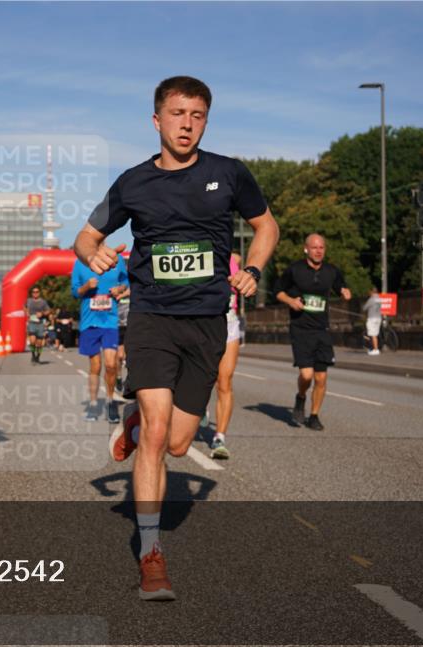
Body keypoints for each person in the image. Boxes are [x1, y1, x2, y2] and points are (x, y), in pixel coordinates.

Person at [77, 76, 278, 600]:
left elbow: (267, 226)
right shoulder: (133, 182)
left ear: (206, 120)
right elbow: (88, 233)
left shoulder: (228, 173)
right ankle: (150, 554)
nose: (187, 124)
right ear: (156, 120)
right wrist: (88, 253)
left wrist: (253, 269)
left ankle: (134, 419)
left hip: (207, 322)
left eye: (197, 115)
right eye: (177, 113)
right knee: (159, 434)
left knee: (180, 442)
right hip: (152, 319)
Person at [276, 233, 351, 431]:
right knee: (307, 375)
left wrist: (345, 293)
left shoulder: (331, 271)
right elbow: (278, 291)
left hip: (322, 329)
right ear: (306, 249)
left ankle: (314, 415)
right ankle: (301, 397)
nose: (318, 251)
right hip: (300, 328)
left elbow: (341, 287)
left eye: (322, 248)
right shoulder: (295, 269)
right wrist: (291, 301)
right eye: (315, 247)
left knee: (321, 377)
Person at [72, 256, 128, 423]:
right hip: (90, 323)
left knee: (111, 364)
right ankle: (94, 403)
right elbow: (75, 292)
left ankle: (110, 402)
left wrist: (120, 289)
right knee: (95, 366)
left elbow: (126, 282)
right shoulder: (80, 262)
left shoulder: (116, 259)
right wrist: (86, 287)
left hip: (110, 322)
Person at [206, 252, 244, 460]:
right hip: (204, 324)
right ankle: (199, 406)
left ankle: (219, 437)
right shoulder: (198, 251)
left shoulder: (234, 259)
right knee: (203, 376)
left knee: (225, 380)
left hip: (229, 322)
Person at [24, 284, 51, 364]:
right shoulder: (28, 300)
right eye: (33, 292)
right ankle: (33, 355)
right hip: (32, 322)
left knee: (39, 343)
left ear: (39, 293)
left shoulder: (43, 302)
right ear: (32, 293)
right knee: (32, 341)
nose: (35, 293)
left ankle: (38, 356)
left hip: (40, 324)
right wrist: (27, 312)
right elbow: (24, 307)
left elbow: (48, 311)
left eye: (37, 292)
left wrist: (42, 314)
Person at [114, 285, 131, 395]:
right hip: (117, 325)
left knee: (130, 355)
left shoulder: (131, 283)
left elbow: (133, 290)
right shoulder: (115, 285)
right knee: (119, 356)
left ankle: (130, 381)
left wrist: (122, 295)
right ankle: (119, 377)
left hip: (131, 324)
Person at [363, 287, 383, 355]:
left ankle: (375, 349)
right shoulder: (380, 299)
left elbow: (364, 308)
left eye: (369, 292)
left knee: (372, 334)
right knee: (375, 334)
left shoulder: (371, 299)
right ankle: (374, 347)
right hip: (378, 318)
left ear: (372, 292)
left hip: (372, 318)